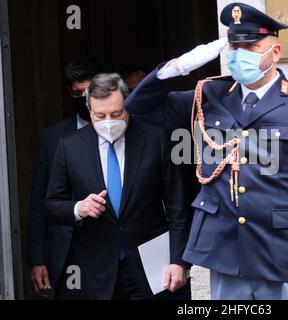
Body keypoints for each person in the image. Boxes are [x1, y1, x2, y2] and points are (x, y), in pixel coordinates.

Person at [126, 3, 288, 300]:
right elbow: (138, 108)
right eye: (234, 46)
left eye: (251, 45)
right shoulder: (209, 95)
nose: (239, 53)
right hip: (227, 254)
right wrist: (176, 68)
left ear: (275, 52)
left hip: (286, 256)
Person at [46, 73, 192, 300]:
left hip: (152, 267)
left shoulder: (156, 139)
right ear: (89, 110)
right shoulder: (69, 147)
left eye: (116, 114)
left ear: (127, 105)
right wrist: (78, 208)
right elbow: (52, 204)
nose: (108, 122)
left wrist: (178, 260)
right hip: (97, 272)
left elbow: (178, 207)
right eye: (99, 115)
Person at [28, 56, 102, 298]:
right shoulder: (53, 138)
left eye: (88, 92)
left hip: (112, 247)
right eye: (76, 93)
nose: (83, 99)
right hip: (68, 249)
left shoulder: (125, 128)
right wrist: (37, 259)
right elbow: (40, 201)